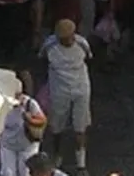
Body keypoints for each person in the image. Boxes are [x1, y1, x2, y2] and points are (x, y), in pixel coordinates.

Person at [40, 19, 92, 176]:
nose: (67, 41)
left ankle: (81, 164)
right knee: (57, 125)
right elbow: (42, 58)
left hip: (81, 88)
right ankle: (58, 156)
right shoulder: (50, 45)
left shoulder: (82, 44)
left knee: (80, 126)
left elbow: (89, 58)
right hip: (59, 89)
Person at [0, 70, 46, 176]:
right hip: (8, 145)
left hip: (27, 146)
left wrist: (29, 119)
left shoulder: (30, 103)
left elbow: (42, 120)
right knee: (8, 173)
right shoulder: (2, 102)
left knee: (26, 173)